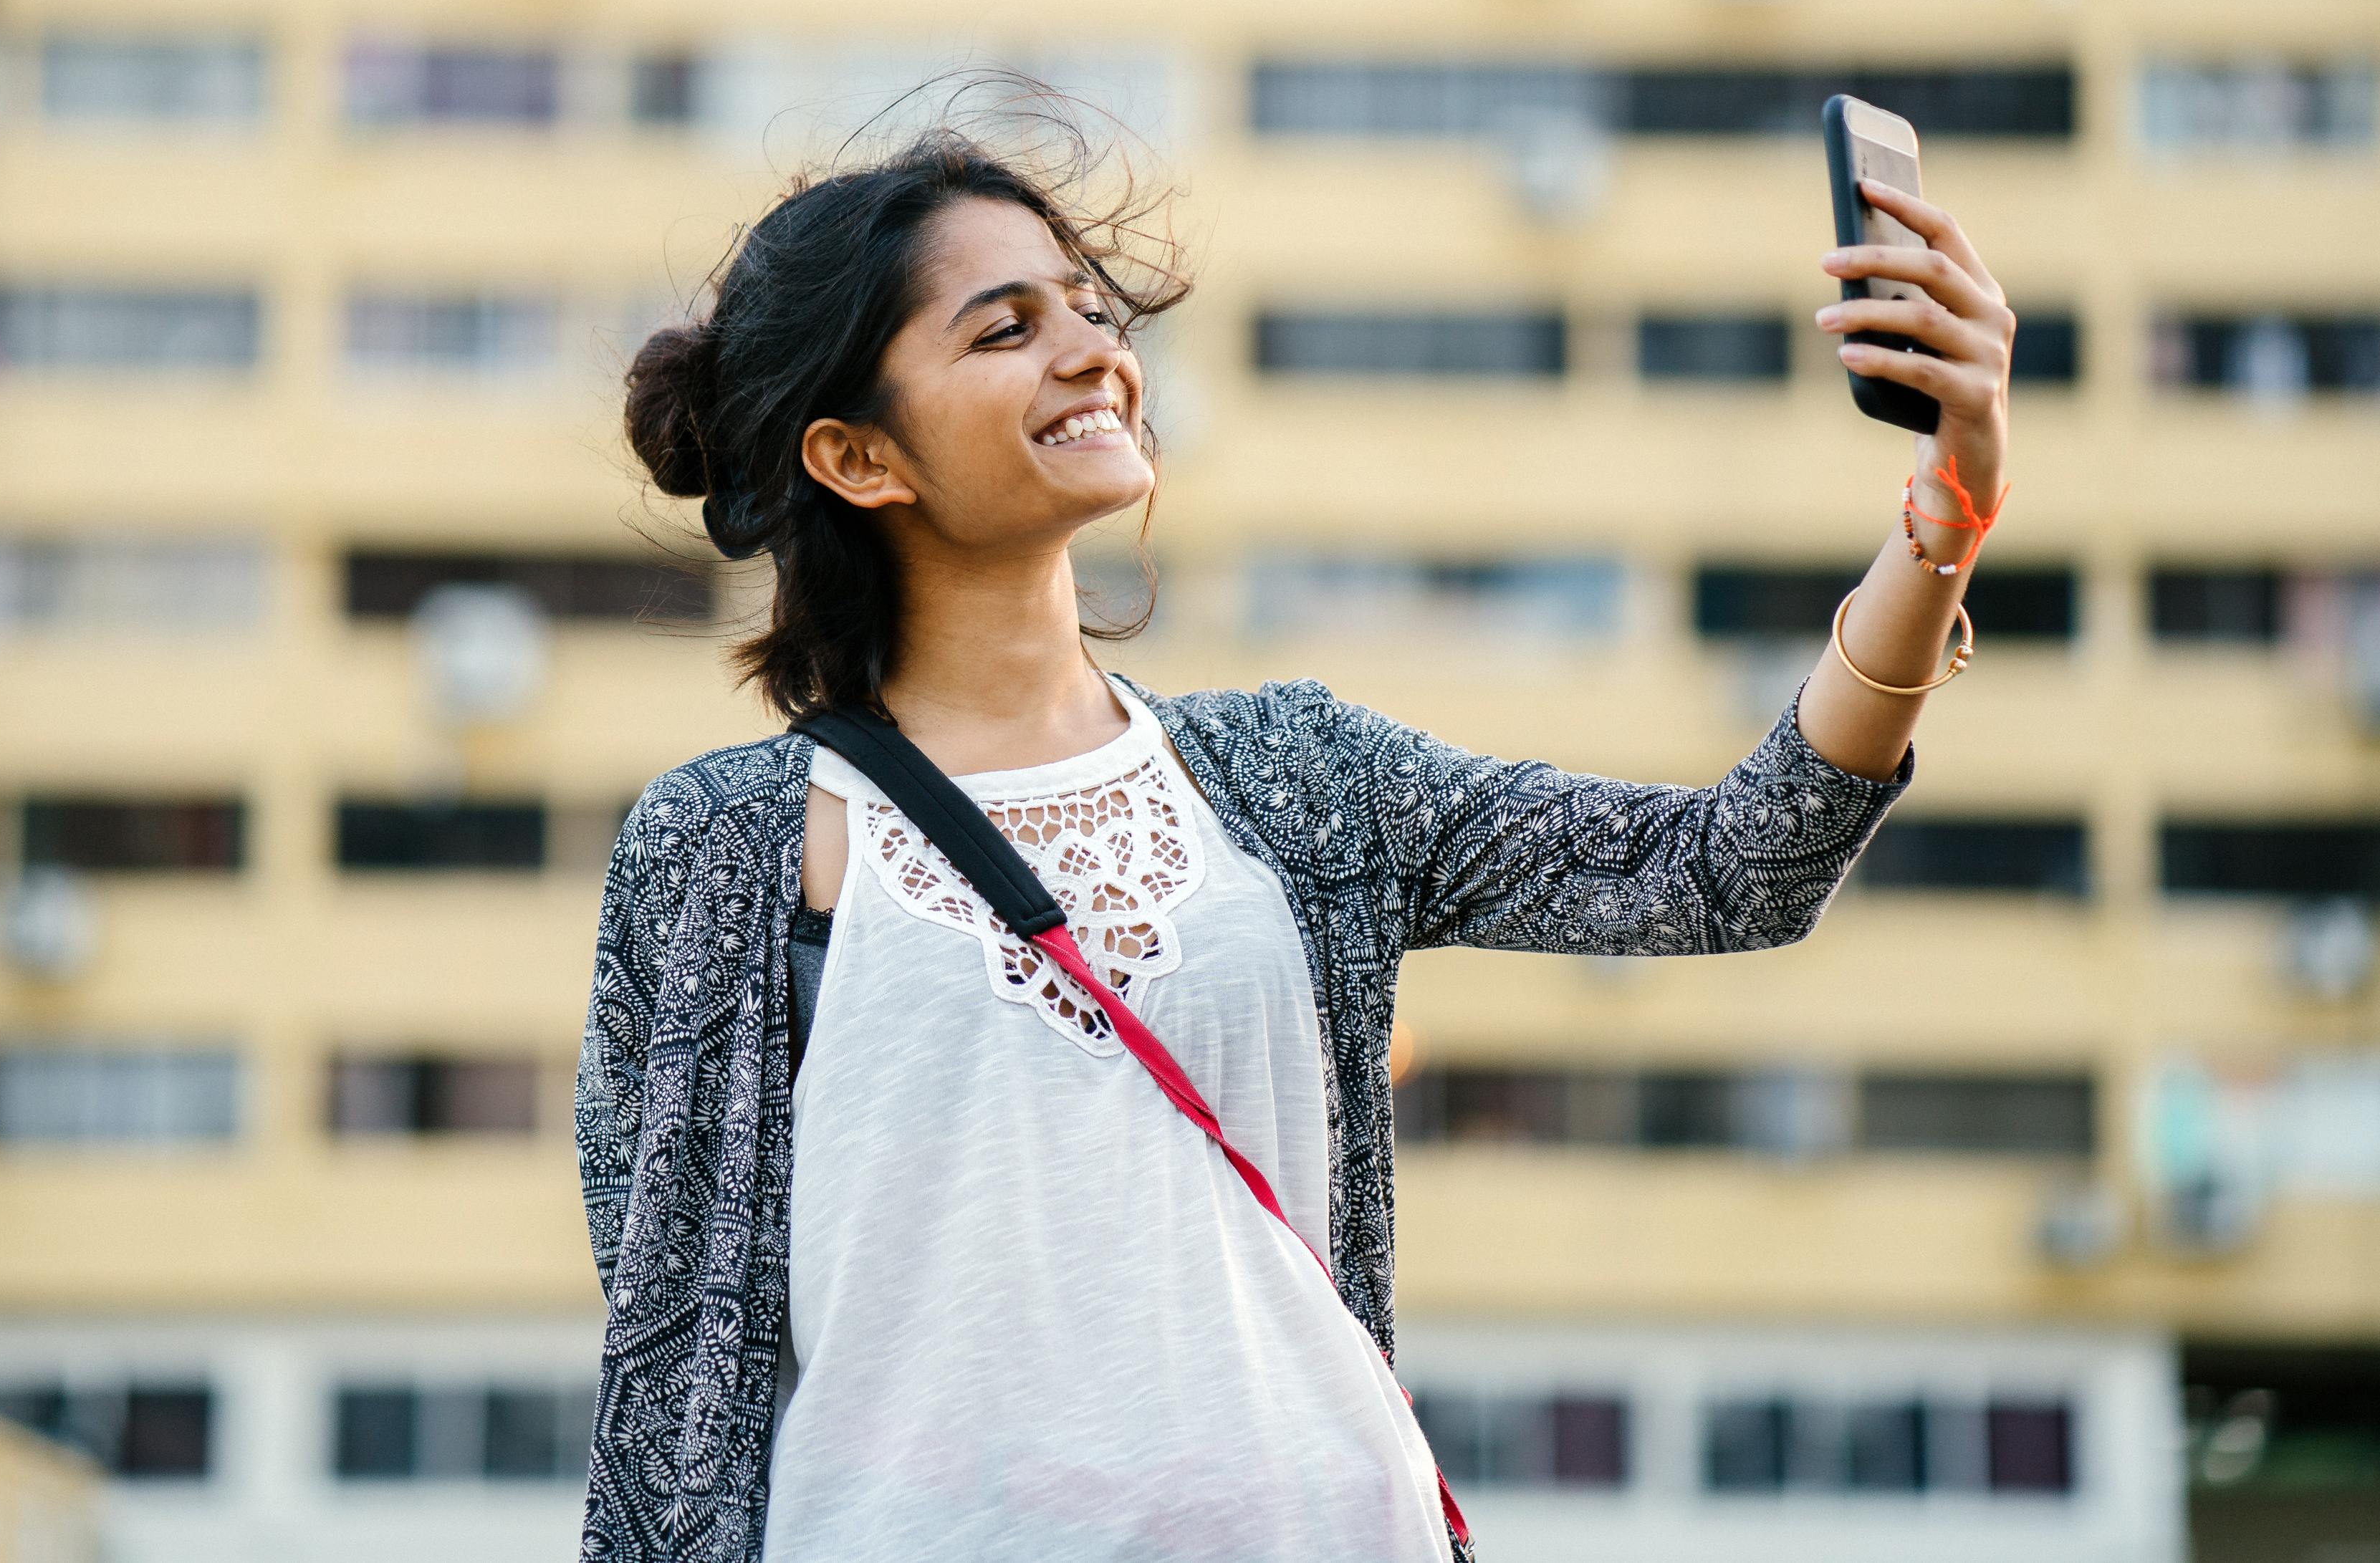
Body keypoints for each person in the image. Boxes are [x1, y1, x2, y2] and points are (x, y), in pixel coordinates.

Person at [575, 109, 2015, 1563]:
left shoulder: (1294, 775)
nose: (1092, 350)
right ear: (857, 455)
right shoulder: (730, 846)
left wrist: (1943, 515)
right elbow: (667, 1378)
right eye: (1003, 329)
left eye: (1087, 308)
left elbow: (1725, 870)